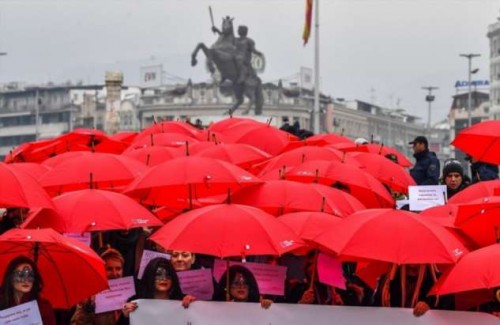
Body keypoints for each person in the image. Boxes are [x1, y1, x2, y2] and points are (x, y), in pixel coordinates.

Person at [119, 257, 195, 324]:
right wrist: (125, 316)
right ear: (150, 276)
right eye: (158, 274)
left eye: (168, 275)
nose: (164, 279)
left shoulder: (182, 301)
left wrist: (193, 305)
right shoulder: (135, 302)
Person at [71, 247, 125, 325]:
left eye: (118, 268)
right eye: (109, 269)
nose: (114, 273)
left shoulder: (129, 294)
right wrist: (88, 309)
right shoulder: (91, 295)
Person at [0, 256, 55, 324]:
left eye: (30, 275)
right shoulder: (2, 303)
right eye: (20, 275)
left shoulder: (44, 307)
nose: (26, 280)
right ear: (10, 278)